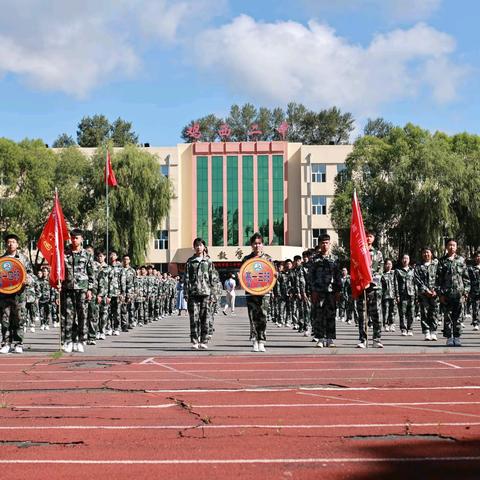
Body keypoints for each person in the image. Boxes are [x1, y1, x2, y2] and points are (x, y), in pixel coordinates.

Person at [61, 229, 95, 353]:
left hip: (82, 289)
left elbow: (91, 274)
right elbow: (59, 271)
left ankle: (80, 341)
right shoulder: (64, 253)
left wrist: (90, 289)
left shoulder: (87, 254)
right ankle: (68, 340)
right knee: (68, 316)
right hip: (68, 288)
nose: (74, 240)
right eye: (73, 238)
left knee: (82, 315)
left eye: (77, 238)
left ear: (81, 239)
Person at [0, 233, 32, 354]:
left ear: (17, 244)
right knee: (5, 319)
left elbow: (31, 274)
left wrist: (27, 279)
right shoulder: (2, 259)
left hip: (20, 294)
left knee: (19, 319)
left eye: (13, 242)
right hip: (4, 295)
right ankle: (6, 343)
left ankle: (19, 343)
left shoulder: (23, 259)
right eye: (8, 242)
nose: (10, 244)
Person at [242, 232, 273, 352]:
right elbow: (244, 275)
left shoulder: (268, 258)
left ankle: (262, 340)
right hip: (251, 293)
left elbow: (273, 274)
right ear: (251, 245)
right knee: (252, 316)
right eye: (255, 244)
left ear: (262, 245)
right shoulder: (246, 259)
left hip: (265, 292)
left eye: (259, 243)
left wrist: (275, 275)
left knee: (263, 316)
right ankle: (254, 340)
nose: (257, 246)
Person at [309, 234, 341, 348]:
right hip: (319, 291)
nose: (325, 245)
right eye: (322, 242)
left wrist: (338, 291)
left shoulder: (335, 258)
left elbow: (338, 276)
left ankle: (330, 338)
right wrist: (312, 291)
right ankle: (320, 338)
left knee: (331, 315)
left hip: (331, 291)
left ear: (330, 244)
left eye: (327, 242)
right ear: (319, 244)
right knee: (319, 315)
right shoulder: (314, 259)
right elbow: (310, 276)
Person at [437, 238, 470, 346]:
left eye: (454, 245)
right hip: (446, 293)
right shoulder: (442, 261)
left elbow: (466, 278)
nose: (452, 247)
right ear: (446, 247)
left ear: (456, 247)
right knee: (448, 316)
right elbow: (438, 279)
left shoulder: (461, 260)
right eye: (450, 245)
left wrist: (466, 292)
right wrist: (440, 294)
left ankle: (457, 336)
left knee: (458, 316)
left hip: (459, 293)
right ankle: (449, 337)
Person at [184, 238, 214, 350]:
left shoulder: (208, 261)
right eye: (196, 245)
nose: (198, 247)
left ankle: (204, 340)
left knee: (205, 317)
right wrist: (186, 293)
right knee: (194, 318)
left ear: (204, 247)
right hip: (193, 293)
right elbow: (186, 278)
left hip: (206, 293)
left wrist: (213, 295)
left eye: (200, 245)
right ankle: (195, 341)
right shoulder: (190, 261)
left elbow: (213, 279)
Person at [356, 230, 384, 348]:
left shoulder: (378, 253)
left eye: (370, 236)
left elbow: (381, 270)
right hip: (362, 288)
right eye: (366, 236)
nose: (368, 238)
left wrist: (371, 281)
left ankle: (376, 339)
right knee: (362, 315)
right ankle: (363, 339)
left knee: (376, 314)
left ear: (374, 239)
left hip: (374, 288)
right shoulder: (359, 253)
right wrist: (362, 281)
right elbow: (355, 269)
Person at [414, 247, 439, 341]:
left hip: (434, 292)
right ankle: (427, 331)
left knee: (434, 312)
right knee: (424, 312)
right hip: (423, 293)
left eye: (428, 252)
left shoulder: (436, 264)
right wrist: (425, 290)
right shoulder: (418, 266)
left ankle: (433, 331)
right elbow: (417, 279)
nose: (426, 254)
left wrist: (436, 290)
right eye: (424, 253)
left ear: (431, 254)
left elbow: (440, 277)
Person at [394, 254, 415, 336]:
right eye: (403, 258)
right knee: (402, 313)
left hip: (411, 293)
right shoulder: (398, 271)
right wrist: (397, 295)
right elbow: (395, 283)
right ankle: (403, 329)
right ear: (401, 260)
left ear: (409, 260)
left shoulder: (412, 270)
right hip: (402, 294)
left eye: (407, 258)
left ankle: (410, 328)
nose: (405, 260)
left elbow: (415, 283)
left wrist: (416, 294)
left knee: (411, 312)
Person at [381, 259, 396, 332]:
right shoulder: (382, 275)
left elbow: (396, 285)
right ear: (384, 265)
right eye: (387, 264)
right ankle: (385, 324)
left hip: (393, 295)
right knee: (386, 311)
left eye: (390, 264)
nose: (388, 265)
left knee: (393, 310)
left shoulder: (394, 274)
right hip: (385, 296)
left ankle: (392, 324)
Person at [468, 251, 480, 331]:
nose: (478, 258)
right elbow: (468, 279)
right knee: (475, 307)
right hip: (475, 290)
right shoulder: (471, 268)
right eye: (477, 256)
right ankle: (476, 323)